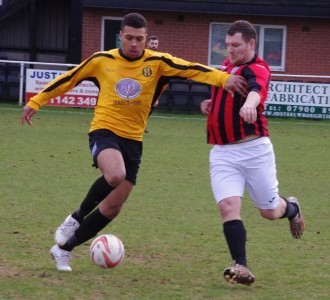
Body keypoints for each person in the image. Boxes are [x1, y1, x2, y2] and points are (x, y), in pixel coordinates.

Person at [20, 13, 248, 272]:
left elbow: (192, 68)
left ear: (145, 39)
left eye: (139, 39)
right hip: (104, 131)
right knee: (115, 174)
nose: (133, 44)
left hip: (134, 140)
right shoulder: (102, 60)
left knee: (112, 206)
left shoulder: (158, 62)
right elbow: (68, 78)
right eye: (128, 38)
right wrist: (36, 101)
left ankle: (63, 250)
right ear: (120, 36)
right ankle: (75, 217)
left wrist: (223, 78)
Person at [200, 20, 304, 285]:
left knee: (268, 211)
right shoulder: (225, 68)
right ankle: (241, 266)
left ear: (251, 44)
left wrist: (250, 103)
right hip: (223, 153)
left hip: (254, 151)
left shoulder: (258, 67)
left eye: (236, 45)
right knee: (228, 206)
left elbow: (256, 90)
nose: (230, 50)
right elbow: (226, 94)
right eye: (228, 45)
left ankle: (291, 209)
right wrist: (212, 104)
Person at [144, 35, 160, 133]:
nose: (154, 45)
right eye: (152, 43)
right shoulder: (145, 54)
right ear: (148, 44)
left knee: (155, 103)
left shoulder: (158, 56)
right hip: (142, 82)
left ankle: (143, 122)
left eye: (156, 44)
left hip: (153, 84)